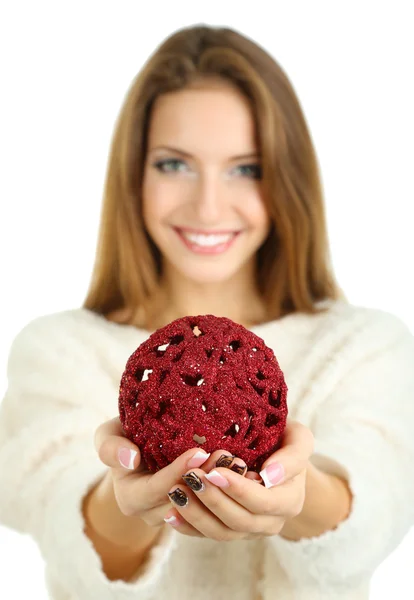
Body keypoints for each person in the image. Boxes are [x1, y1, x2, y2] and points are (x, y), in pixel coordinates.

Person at [1, 23, 414, 600]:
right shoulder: (56, 350)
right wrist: (125, 503)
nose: (208, 205)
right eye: (175, 164)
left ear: (287, 182)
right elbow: (58, 523)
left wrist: (297, 494)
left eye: (246, 168)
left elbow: (380, 508)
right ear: (134, 175)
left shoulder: (366, 344)